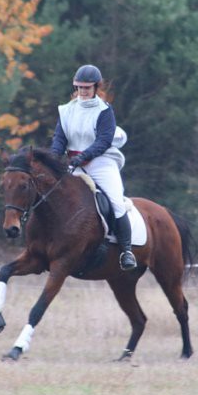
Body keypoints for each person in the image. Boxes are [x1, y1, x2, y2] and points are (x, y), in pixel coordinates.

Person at [50, 64, 137, 271]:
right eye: (79, 87)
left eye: (87, 88)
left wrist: (84, 156)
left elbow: (104, 140)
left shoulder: (104, 110)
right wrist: (53, 159)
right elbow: (59, 139)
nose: (83, 92)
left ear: (96, 88)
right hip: (74, 163)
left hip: (101, 161)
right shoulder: (66, 110)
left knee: (116, 201)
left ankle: (126, 251)